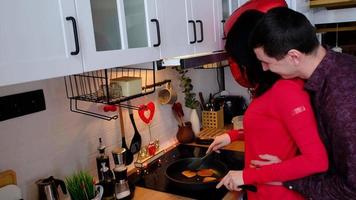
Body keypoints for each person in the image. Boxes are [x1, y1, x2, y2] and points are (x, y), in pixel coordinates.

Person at [207, 10, 328, 200]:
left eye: (242, 63)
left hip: (278, 194)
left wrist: (247, 175)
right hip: (262, 190)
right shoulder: (271, 86)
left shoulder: (286, 90)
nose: (242, 69)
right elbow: (274, 131)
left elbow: (317, 160)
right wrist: (233, 135)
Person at [246, 7, 356, 199]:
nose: (264, 69)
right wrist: (286, 167)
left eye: (267, 62)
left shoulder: (342, 100)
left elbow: (351, 189)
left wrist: (289, 181)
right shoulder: (338, 66)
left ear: (294, 56)